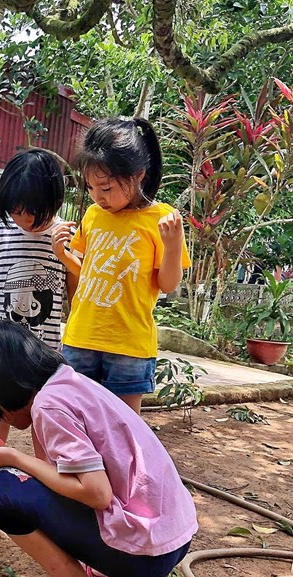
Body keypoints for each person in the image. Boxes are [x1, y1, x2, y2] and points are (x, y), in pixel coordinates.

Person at [0, 322, 197, 577]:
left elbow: (96, 493)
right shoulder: (68, 382)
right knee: (32, 485)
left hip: (146, 555)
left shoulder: (49, 405)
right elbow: (68, 477)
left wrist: (14, 459)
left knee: (1, 491)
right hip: (169, 538)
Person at [51, 118, 190, 414]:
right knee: (75, 416)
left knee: (124, 424)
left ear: (138, 175)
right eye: (90, 187)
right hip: (80, 336)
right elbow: (90, 272)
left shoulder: (162, 218)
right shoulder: (93, 215)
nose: (97, 196)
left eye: (106, 187)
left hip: (129, 344)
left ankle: (120, 465)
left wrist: (175, 244)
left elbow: (168, 285)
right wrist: (63, 255)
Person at [0, 148, 76, 501]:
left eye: (31, 211)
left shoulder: (65, 236)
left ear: (53, 200)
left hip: (46, 351)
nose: (23, 218)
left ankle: (45, 481)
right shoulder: (1, 233)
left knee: (43, 414)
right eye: (15, 210)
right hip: (4, 346)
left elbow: (75, 288)